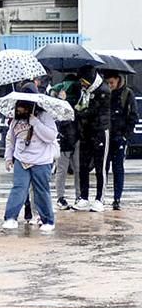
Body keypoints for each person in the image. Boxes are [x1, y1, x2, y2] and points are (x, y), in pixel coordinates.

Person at [2, 101, 59, 232]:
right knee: (19, 188)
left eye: (22, 107)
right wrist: (8, 157)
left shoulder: (44, 116)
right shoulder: (15, 120)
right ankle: (10, 217)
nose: (20, 110)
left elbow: (51, 136)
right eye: (18, 107)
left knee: (41, 191)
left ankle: (48, 220)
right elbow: (10, 139)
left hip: (41, 160)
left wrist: (36, 123)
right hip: (21, 159)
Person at [71, 64, 111, 212]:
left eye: (83, 81)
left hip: (100, 132)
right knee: (83, 166)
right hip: (85, 133)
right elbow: (81, 108)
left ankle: (100, 198)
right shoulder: (84, 92)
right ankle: (84, 197)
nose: (81, 84)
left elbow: (91, 112)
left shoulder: (103, 90)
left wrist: (77, 112)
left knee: (101, 167)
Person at [105, 71, 136, 210]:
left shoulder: (127, 94)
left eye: (111, 82)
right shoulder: (105, 93)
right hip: (105, 137)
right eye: (107, 83)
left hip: (119, 138)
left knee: (118, 169)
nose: (109, 85)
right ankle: (101, 197)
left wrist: (125, 137)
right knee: (103, 169)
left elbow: (133, 117)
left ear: (118, 80)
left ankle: (117, 198)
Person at [49, 75, 80, 210]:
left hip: (64, 138)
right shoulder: (78, 97)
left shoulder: (58, 99)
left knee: (61, 171)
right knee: (77, 169)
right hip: (73, 137)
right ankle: (78, 197)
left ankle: (61, 197)